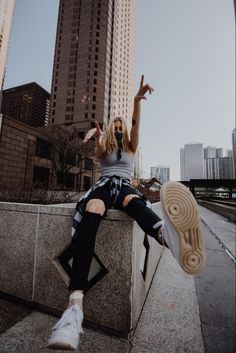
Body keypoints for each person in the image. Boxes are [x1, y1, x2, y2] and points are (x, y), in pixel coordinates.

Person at [47, 75, 205, 350]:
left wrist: (136, 100)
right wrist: (95, 133)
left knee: (135, 202)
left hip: (124, 188)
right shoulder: (105, 149)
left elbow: (136, 123)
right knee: (93, 207)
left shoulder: (131, 146)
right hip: (104, 187)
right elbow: (96, 146)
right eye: (116, 126)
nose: (119, 128)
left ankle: (167, 236)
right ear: (111, 130)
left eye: (121, 125)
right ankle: (74, 309)